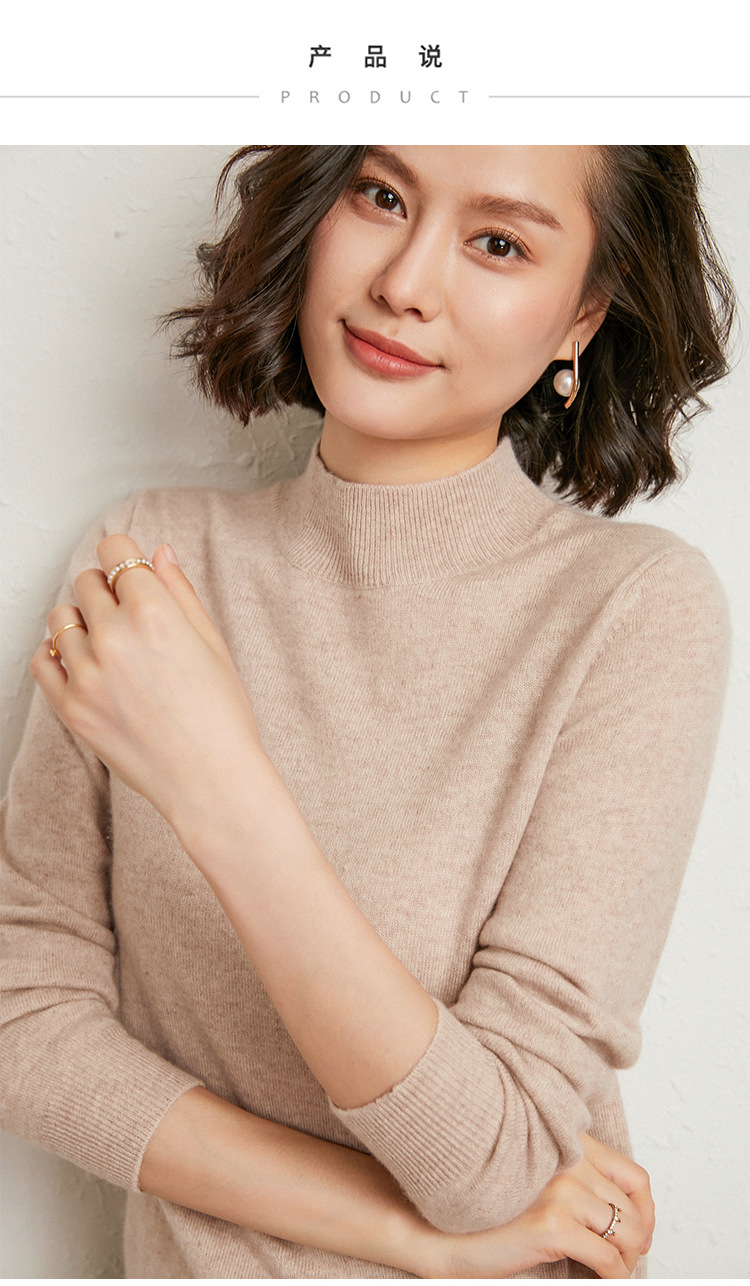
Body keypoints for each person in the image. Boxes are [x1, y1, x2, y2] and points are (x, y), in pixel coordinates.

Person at [1, 145, 734, 1278]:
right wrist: (399, 1233)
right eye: (382, 196)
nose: (404, 282)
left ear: (581, 318)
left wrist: (218, 785)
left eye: (499, 242)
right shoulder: (151, 564)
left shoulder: (631, 609)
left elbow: (496, 1163)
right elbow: (24, 1021)